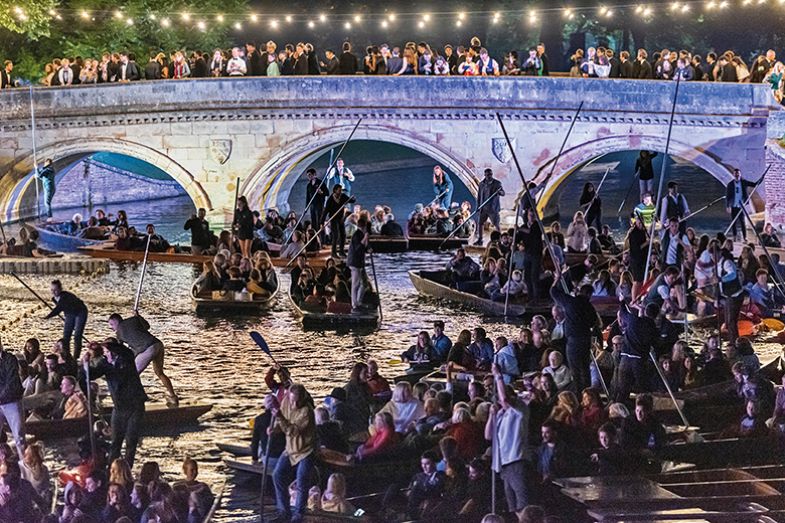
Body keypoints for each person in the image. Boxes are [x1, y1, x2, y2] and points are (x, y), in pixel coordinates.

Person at [82, 341, 146, 466]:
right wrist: (85, 364)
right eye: (105, 353)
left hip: (135, 406)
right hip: (119, 407)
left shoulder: (126, 359)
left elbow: (124, 350)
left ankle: (127, 469)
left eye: (108, 352)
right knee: (115, 441)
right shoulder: (105, 364)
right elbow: (91, 374)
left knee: (131, 441)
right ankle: (111, 470)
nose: (107, 355)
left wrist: (102, 344)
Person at [108, 312, 178, 407]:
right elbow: (147, 327)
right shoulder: (134, 319)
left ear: (116, 322)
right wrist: (139, 316)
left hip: (147, 349)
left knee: (132, 375)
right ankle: (173, 396)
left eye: (111, 324)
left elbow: (120, 349)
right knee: (159, 373)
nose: (111, 328)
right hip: (157, 344)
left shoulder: (119, 333)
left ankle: (133, 400)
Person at [486, 363, 529, 517]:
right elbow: (488, 436)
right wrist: (492, 416)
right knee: (513, 506)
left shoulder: (518, 412)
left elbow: (504, 397)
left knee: (522, 502)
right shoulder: (501, 415)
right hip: (503, 463)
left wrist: (498, 376)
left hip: (516, 460)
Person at [271, 383, 316, 523]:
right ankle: (284, 510)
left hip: (305, 450)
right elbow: (282, 423)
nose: (294, 404)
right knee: (277, 475)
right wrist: (275, 429)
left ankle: (298, 513)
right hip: (290, 449)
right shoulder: (286, 401)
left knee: (302, 480)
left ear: (303, 398)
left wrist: (280, 418)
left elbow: (293, 431)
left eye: (297, 401)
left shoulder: (307, 412)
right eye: (292, 400)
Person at [550, 277, 599, 393]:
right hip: (585, 340)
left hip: (573, 341)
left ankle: (578, 394)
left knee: (575, 370)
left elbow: (553, 291)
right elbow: (593, 322)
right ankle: (587, 393)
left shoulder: (570, 301)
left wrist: (556, 279)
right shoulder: (590, 307)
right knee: (585, 369)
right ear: (589, 295)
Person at [614, 303, 659, 402]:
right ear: (656, 315)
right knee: (643, 391)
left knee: (622, 391)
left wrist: (622, 302)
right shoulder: (653, 328)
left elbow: (623, 312)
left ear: (645, 312)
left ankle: (618, 411)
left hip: (625, 360)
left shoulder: (634, 320)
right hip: (639, 361)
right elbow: (656, 343)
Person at [44, 279, 88, 360]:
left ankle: (76, 357)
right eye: (52, 290)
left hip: (80, 312)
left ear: (60, 289)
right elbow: (61, 308)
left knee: (77, 335)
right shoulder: (54, 298)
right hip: (69, 313)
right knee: (66, 336)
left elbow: (58, 309)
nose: (53, 292)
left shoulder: (65, 296)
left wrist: (48, 316)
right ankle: (67, 356)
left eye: (56, 290)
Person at [0, 340, 25, 461]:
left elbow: (11, 381)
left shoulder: (9, 359)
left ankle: (25, 465)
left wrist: (1, 397)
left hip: (11, 401)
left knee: (19, 436)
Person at [323, 185, 355, 258]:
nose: (340, 192)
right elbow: (325, 211)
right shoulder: (330, 199)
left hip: (340, 218)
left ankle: (341, 251)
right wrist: (322, 222)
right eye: (339, 190)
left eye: (341, 190)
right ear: (335, 190)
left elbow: (350, 200)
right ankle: (333, 252)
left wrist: (353, 199)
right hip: (333, 219)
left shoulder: (343, 196)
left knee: (343, 235)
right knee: (336, 235)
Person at [475, 168, 505, 246]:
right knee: (480, 223)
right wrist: (478, 207)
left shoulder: (497, 183)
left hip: (493, 208)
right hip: (483, 207)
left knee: (496, 224)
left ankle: (500, 240)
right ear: (485, 175)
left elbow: (503, 193)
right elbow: (479, 196)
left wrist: (499, 192)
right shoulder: (481, 184)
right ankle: (480, 239)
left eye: (491, 174)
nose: (489, 176)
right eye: (488, 175)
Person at [725, 168, 756, 242]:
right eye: (736, 174)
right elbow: (728, 196)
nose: (737, 175)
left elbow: (753, 184)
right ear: (734, 175)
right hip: (734, 205)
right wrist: (727, 206)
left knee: (742, 222)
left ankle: (745, 237)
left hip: (741, 206)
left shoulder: (744, 182)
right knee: (733, 222)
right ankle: (734, 236)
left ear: (740, 174)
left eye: (738, 174)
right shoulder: (730, 184)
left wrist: (760, 180)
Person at [347, 215, 370, 311]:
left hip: (359, 262)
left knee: (363, 284)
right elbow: (357, 248)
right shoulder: (357, 235)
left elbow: (362, 248)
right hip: (355, 262)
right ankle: (354, 304)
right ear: (364, 227)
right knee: (356, 284)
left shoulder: (360, 235)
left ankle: (358, 302)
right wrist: (365, 239)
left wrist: (368, 248)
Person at [305, 168, 328, 234]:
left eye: (310, 175)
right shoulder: (309, 185)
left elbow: (327, 193)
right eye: (308, 175)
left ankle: (321, 236)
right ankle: (314, 236)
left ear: (314, 174)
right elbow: (308, 197)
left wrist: (321, 192)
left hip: (319, 205)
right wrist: (306, 207)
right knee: (313, 221)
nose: (308, 177)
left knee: (319, 221)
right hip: (312, 206)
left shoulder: (320, 183)